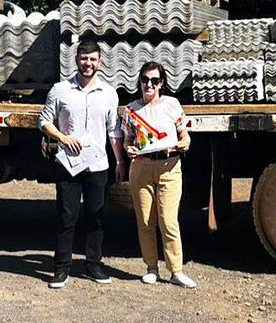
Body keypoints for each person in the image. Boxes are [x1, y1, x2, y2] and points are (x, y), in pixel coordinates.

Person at [39, 37, 125, 289]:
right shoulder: (60, 90)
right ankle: (61, 268)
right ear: (76, 60)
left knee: (95, 217)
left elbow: (113, 130)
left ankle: (93, 265)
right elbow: (43, 121)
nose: (88, 63)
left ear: (99, 62)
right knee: (67, 216)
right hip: (68, 164)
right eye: (84, 59)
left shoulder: (109, 94)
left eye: (93, 59)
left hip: (98, 165)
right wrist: (63, 138)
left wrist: (119, 161)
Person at [122, 61, 196, 288]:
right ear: (140, 82)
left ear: (161, 83)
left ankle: (176, 270)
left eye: (154, 80)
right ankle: (151, 268)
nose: (149, 84)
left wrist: (184, 143)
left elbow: (185, 136)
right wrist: (128, 149)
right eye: (145, 80)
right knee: (145, 220)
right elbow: (126, 141)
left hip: (169, 166)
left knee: (168, 221)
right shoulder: (130, 110)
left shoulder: (172, 105)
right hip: (142, 167)